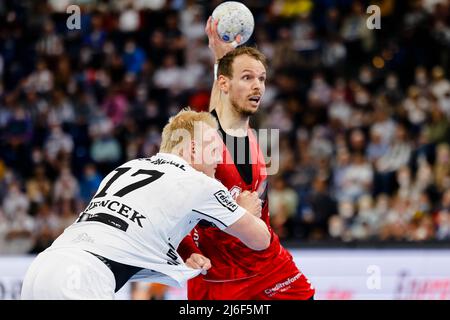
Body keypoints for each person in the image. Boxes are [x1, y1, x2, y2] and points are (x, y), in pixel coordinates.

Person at [21, 109, 270, 300]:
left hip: (43, 267)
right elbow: (260, 240)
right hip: (83, 276)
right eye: (215, 149)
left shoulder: (127, 168)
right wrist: (244, 210)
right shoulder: (199, 182)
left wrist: (186, 251)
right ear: (194, 149)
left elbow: (137, 224)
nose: (219, 159)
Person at [177, 18, 315, 300]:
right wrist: (234, 214)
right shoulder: (202, 146)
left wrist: (221, 55)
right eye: (248, 78)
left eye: (262, 79)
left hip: (268, 265)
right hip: (221, 278)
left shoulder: (241, 127)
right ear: (225, 84)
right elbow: (183, 212)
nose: (258, 87)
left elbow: (220, 107)